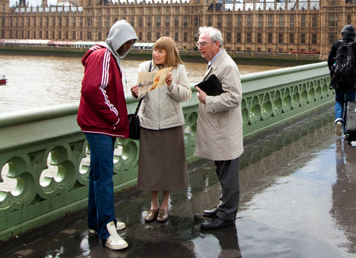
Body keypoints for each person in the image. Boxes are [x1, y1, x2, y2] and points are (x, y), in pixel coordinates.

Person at [78, 20, 136, 251]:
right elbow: (92, 89)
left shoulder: (108, 56)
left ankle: (96, 222)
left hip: (99, 126)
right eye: (127, 42)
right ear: (117, 38)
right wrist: (115, 117)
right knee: (104, 178)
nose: (128, 47)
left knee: (97, 175)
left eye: (131, 43)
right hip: (99, 126)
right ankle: (106, 230)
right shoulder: (103, 55)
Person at [129, 37, 190, 224]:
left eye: (160, 51)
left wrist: (171, 85)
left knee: (169, 166)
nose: (156, 54)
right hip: (149, 123)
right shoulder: (145, 67)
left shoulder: (178, 69)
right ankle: (153, 204)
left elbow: (186, 95)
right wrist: (136, 92)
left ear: (169, 53)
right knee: (151, 167)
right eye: (155, 50)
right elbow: (141, 94)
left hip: (171, 123)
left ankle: (164, 205)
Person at [194, 26, 244, 231]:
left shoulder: (227, 65)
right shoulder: (216, 62)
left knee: (229, 175)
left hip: (225, 131)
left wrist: (207, 99)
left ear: (217, 44)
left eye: (203, 44)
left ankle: (226, 217)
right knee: (222, 171)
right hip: (219, 129)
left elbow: (234, 98)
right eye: (198, 43)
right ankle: (223, 207)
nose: (199, 47)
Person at [328, 25, 356, 127]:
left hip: (338, 79)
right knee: (350, 103)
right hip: (352, 80)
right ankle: (347, 129)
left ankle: (338, 119)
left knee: (339, 101)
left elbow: (329, 61)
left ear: (342, 34)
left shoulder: (336, 44)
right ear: (353, 36)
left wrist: (333, 73)